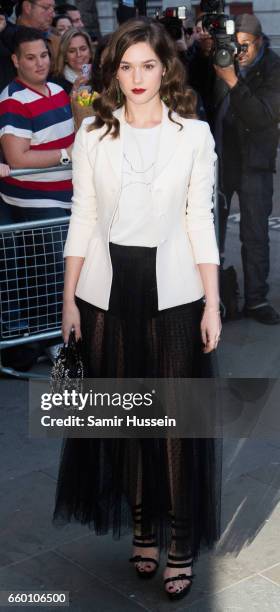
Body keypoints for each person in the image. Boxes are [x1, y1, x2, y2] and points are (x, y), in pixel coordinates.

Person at [53, 18, 222, 601]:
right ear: (112, 72)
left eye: (147, 64)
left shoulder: (194, 135)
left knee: (172, 422)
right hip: (106, 292)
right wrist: (70, 299)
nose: (136, 77)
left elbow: (200, 220)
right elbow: (84, 217)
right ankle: (143, 529)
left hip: (174, 292)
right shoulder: (93, 135)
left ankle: (180, 541)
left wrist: (214, 303)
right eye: (125, 66)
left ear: (166, 68)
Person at [214, 13, 280, 325]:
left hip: (255, 161)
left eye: (245, 46)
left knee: (255, 234)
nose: (239, 53)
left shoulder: (274, 68)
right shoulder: (218, 60)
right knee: (212, 232)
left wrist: (231, 80)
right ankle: (215, 297)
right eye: (234, 45)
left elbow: (261, 117)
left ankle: (256, 300)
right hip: (222, 158)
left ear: (260, 41)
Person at [51, 27, 93, 95]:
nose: (78, 54)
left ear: (90, 51)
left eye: (83, 49)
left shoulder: (100, 76)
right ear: (64, 56)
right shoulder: (54, 84)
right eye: (72, 51)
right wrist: (74, 91)